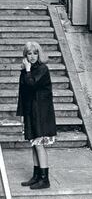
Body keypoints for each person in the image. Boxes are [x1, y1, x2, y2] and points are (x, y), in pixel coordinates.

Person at [16, 41, 56, 190]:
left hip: (41, 112)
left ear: (39, 54)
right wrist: (21, 113)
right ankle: (37, 176)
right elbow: (23, 93)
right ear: (25, 55)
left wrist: (27, 70)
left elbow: (32, 84)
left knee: (39, 145)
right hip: (30, 111)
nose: (32, 56)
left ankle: (45, 179)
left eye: (35, 53)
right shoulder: (27, 70)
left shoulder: (42, 69)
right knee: (34, 145)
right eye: (29, 53)